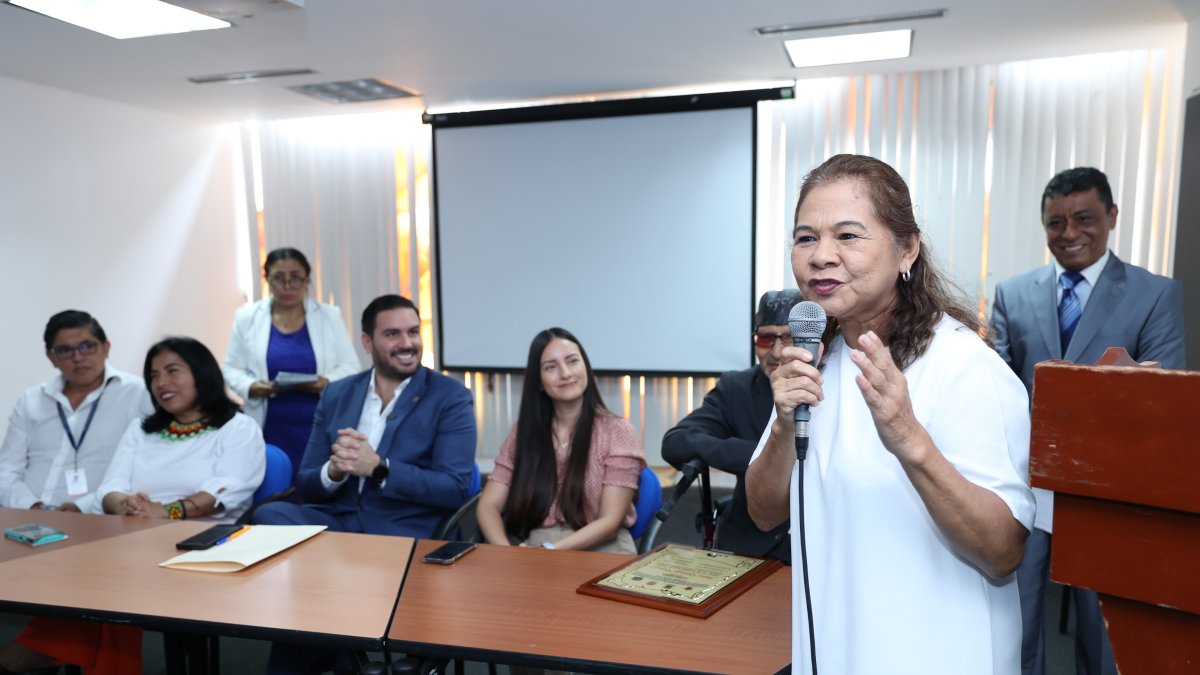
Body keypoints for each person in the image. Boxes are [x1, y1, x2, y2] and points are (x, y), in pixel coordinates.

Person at [745, 154, 1034, 675]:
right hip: (834, 645)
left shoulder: (967, 367)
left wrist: (909, 439)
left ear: (907, 249)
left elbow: (1003, 551)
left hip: (940, 653)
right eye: (805, 237)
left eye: (848, 236)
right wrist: (786, 426)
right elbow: (764, 512)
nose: (821, 256)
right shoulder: (814, 358)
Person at [990, 167, 1186, 675]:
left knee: (1101, 630)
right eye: (1056, 223)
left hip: (1108, 490)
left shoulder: (1156, 294)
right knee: (1017, 616)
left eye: (1084, 219)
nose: (1070, 233)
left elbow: (1163, 399)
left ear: (1112, 217)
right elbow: (999, 389)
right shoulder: (1013, 293)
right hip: (1028, 479)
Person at [0, 337, 265, 675]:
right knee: (94, 575)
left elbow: (226, 490)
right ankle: (33, 653)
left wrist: (165, 511)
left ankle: (25, 654)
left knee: (111, 585)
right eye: (153, 376)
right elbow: (111, 487)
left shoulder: (237, 427)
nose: (161, 383)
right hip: (132, 537)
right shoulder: (141, 430)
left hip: (198, 545)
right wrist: (126, 503)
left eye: (172, 371)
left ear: (201, 373)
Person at [253, 294, 476, 537]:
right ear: (367, 342)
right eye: (392, 334)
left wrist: (379, 468)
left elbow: (453, 489)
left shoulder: (451, 397)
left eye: (413, 332)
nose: (407, 343)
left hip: (403, 526)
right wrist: (333, 471)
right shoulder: (336, 394)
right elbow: (306, 485)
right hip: (339, 521)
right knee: (268, 514)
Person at [477, 328, 646, 553]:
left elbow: (610, 522)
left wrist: (550, 551)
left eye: (572, 361)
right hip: (537, 545)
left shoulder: (617, 431)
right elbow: (488, 506)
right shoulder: (523, 433)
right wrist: (507, 553)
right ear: (538, 380)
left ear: (585, 366)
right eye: (551, 367)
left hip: (605, 546)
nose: (565, 373)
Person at [660, 289, 799, 561]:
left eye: (790, 338)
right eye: (765, 338)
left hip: (821, 544)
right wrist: (764, 455)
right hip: (749, 543)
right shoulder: (738, 388)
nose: (776, 352)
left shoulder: (837, 383)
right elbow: (676, 441)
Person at [223, 247, 360, 481]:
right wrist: (254, 386)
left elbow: (351, 366)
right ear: (267, 279)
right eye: (278, 278)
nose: (287, 286)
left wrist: (326, 383)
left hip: (316, 422)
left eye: (295, 278)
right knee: (272, 487)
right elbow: (230, 368)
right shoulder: (247, 318)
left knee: (316, 487)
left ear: (307, 279)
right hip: (268, 422)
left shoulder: (329, 315)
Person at [0, 310, 151, 514]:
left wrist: (82, 507)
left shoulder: (138, 393)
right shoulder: (31, 400)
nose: (78, 357)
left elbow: (145, 469)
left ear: (106, 348)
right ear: (51, 357)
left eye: (87, 346)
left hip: (98, 518)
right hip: (25, 515)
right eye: (65, 350)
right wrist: (32, 506)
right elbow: (6, 470)